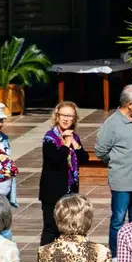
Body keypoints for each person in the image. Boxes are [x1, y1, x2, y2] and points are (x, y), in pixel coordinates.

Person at [95, 85, 132, 258]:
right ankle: (116, 256)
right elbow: (100, 150)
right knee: (118, 220)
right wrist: (116, 162)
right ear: (129, 104)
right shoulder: (112, 124)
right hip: (122, 182)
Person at [40, 101, 90, 246]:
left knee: (70, 229)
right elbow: (56, 160)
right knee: (51, 229)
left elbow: (84, 159)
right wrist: (66, 144)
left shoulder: (74, 137)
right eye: (64, 115)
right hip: (52, 192)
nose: (66, 119)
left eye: (70, 116)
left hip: (70, 191)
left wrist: (74, 143)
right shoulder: (50, 138)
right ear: (57, 116)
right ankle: (45, 256)